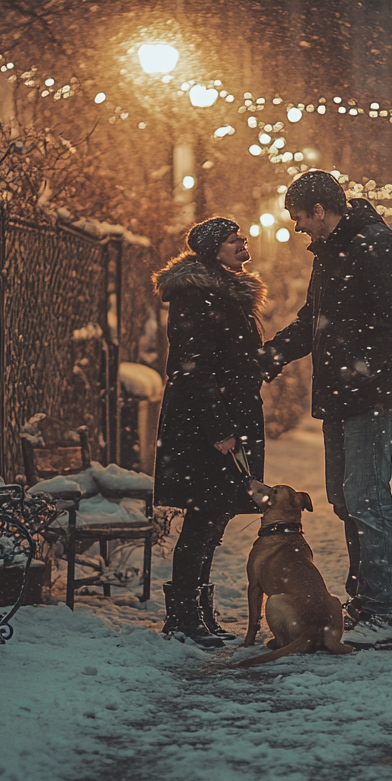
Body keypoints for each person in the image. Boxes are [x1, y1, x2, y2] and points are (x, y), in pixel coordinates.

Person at [258, 170, 392, 650]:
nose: (297, 228)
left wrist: (361, 373)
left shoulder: (377, 245)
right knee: (345, 499)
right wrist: (272, 355)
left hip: (371, 398)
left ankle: (381, 611)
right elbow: (315, 320)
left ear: (321, 211)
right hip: (340, 397)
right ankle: (363, 600)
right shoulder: (332, 252)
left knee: (367, 499)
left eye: (300, 219)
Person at [151, 217, 267, 648]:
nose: (243, 242)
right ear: (213, 248)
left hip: (226, 417)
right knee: (202, 520)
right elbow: (192, 365)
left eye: (241, 236)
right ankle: (183, 617)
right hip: (204, 425)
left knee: (213, 519)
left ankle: (198, 611)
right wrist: (218, 427)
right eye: (233, 239)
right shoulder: (195, 294)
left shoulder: (226, 291)